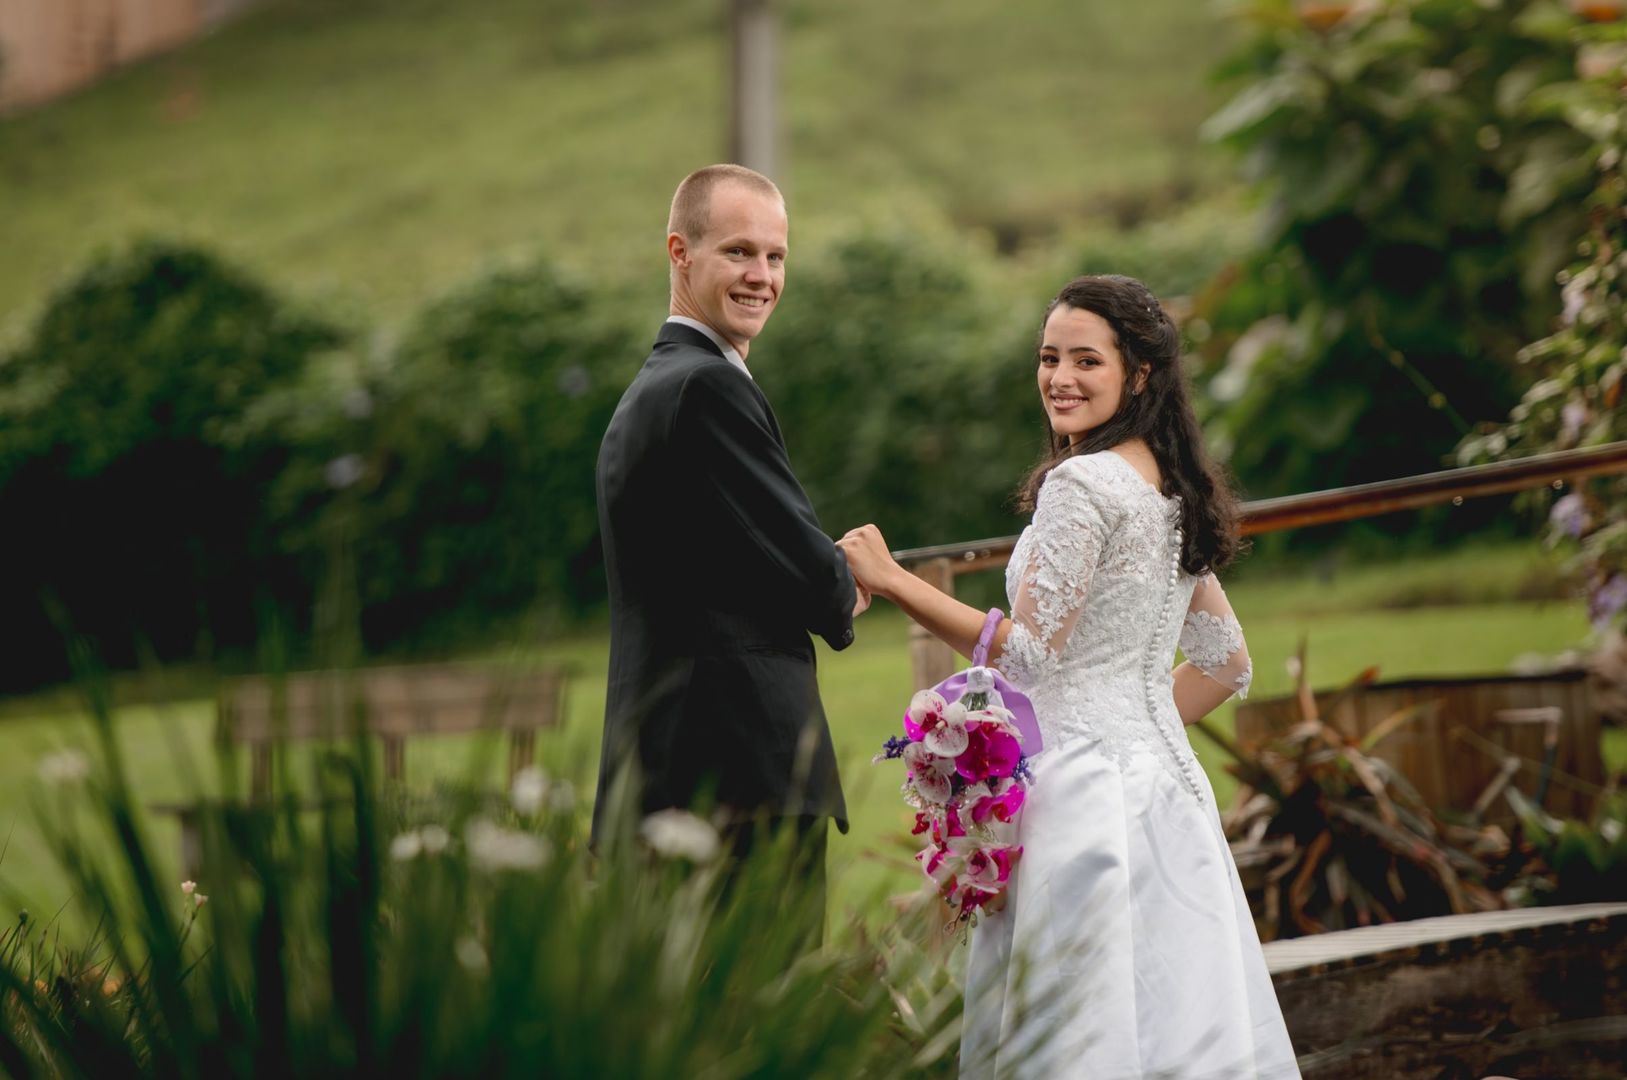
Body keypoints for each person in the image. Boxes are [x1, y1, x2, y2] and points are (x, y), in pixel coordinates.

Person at [837, 275, 1300, 1078]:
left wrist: (893, 578)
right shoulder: (1168, 487)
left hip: (1079, 801)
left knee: (1079, 1030)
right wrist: (1130, 719)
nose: (1059, 377)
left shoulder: (1081, 485)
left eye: (1086, 360)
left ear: (1139, 374)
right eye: (1048, 357)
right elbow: (1227, 665)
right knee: (1176, 1024)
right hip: (1167, 796)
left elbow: (1027, 658)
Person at [591, 164, 865, 920]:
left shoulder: (652, 391)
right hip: (735, 779)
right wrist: (847, 577)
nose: (762, 275)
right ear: (679, 252)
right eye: (738, 252)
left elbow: (731, 555)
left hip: (670, 769)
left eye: (775, 256)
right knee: (754, 1014)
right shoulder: (706, 389)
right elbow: (810, 572)